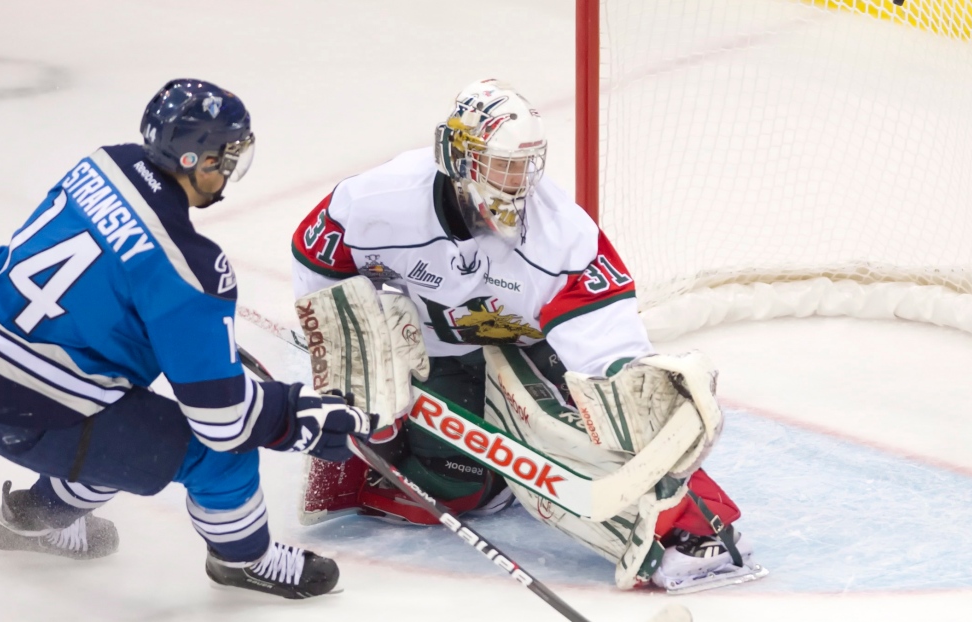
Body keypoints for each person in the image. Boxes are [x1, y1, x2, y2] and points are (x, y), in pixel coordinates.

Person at [289, 78, 764, 592]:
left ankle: (698, 530)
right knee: (454, 487)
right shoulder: (377, 200)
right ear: (459, 157)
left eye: (524, 164)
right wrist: (354, 355)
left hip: (529, 349)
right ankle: (469, 472)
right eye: (502, 163)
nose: (517, 180)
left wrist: (630, 388)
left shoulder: (559, 234)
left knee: (563, 431)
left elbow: (609, 348)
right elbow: (319, 262)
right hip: (431, 354)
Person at [0, 79, 373, 600]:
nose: (229, 170)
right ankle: (244, 561)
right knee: (217, 455)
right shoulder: (191, 272)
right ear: (197, 161)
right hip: (27, 410)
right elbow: (223, 422)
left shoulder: (102, 164)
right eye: (225, 156)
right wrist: (292, 414)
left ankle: (37, 516)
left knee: (130, 423)